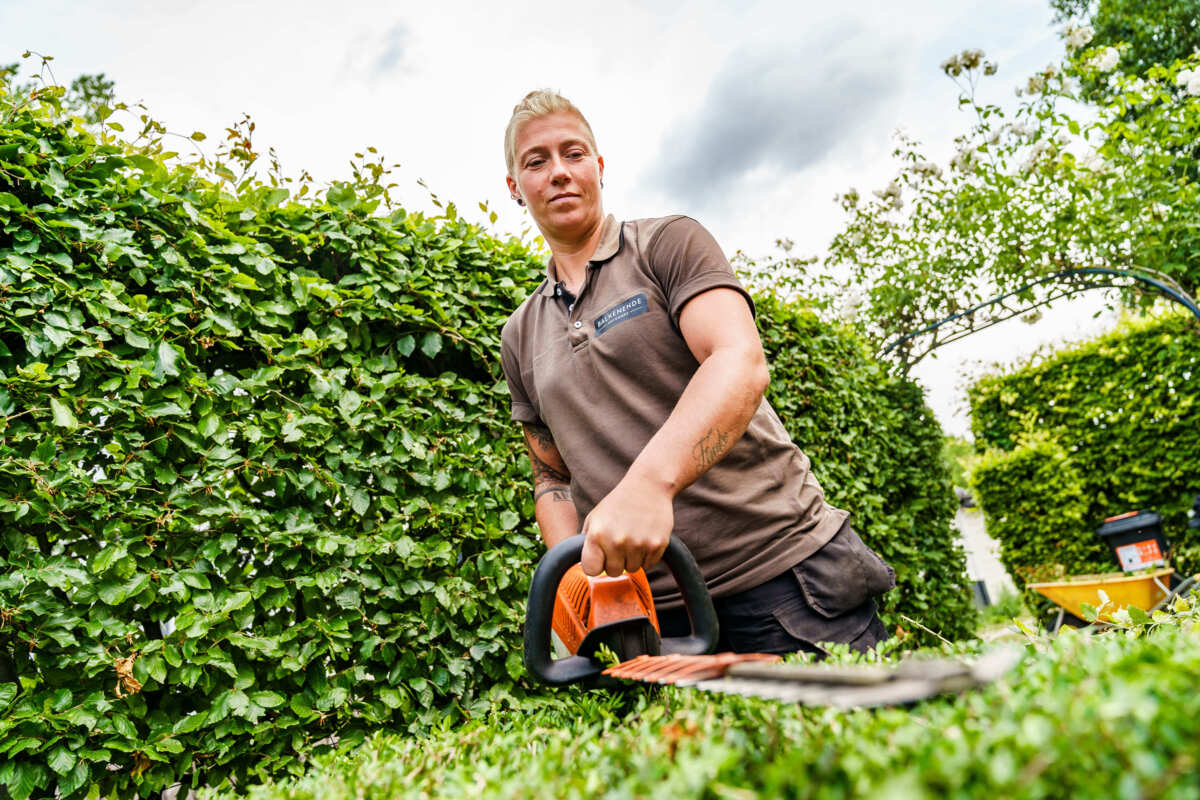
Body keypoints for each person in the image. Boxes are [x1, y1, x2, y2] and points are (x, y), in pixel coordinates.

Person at [499, 89, 894, 655]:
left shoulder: (667, 245)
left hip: (783, 580)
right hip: (652, 620)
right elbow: (551, 478)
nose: (559, 172)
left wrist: (648, 485)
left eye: (574, 153)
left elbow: (738, 361)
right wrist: (577, 579)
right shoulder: (520, 335)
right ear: (515, 187)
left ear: (600, 167)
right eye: (537, 161)